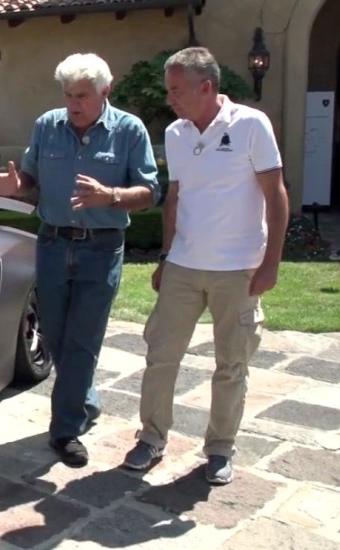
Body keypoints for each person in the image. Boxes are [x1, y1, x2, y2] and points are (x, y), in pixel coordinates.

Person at [122, 47, 289, 485]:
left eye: (176, 90)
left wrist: (271, 262)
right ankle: (151, 438)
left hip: (239, 270)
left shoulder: (252, 125)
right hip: (183, 266)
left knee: (231, 364)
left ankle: (219, 448)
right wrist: (164, 256)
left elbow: (276, 194)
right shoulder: (177, 134)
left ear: (206, 87)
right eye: (168, 90)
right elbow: (175, 198)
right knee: (160, 355)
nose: (170, 98)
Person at [0, 53, 159, 467]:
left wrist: (112, 196)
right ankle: (86, 399)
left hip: (101, 248)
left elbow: (151, 191)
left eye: (82, 95)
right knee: (57, 337)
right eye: (68, 95)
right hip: (52, 244)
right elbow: (32, 182)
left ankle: (65, 430)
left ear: (105, 91)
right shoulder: (48, 126)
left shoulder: (129, 130)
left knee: (82, 341)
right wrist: (17, 186)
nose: (73, 103)